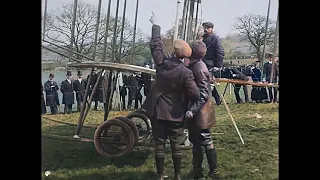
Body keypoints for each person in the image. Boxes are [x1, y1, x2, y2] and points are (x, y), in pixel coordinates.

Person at [142, 13, 200, 180]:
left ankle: (160, 175)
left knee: (159, 144)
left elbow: (156, 46)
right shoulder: (186, 73)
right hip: (176, 113)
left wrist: (156, 25)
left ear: (174, 52)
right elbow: (195, 94)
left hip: (157, 110)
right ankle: (177, 175)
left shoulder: (161, 64)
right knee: (176, 145)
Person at [185, 40, 218, 179]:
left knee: (205, 139)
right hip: (199, 111)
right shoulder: (195, 65)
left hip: (200, 112)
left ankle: (214, 171)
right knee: (197, 141)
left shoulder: (198, 68)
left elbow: (203, 93)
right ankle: (197, 171)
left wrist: (192, 110)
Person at [201, 22, 225, 105]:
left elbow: (220, 52)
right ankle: (217, 101)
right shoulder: (203, 38)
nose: (205, 29)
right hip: (203, 63)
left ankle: (207, 102)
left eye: (207, 27)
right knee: (207, 83)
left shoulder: (215, 38)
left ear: (211, 28)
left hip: (210, 64)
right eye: (204, 27)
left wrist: (218, 66)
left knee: (208, 84)